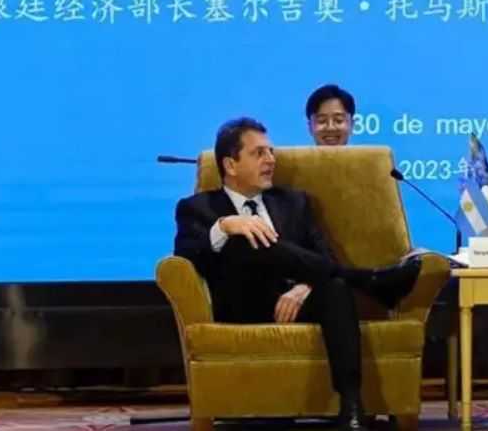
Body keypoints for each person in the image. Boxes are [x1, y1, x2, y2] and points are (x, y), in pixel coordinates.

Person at [173, 117, 421, 430]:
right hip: (241, 305)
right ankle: (369, 280)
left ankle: (352, 408)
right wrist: (225, 226)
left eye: (271, 152)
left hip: (295, 302)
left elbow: (322, 256)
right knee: (244, 240)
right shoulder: (198, 208)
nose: (270, 160)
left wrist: (305, 286)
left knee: (335, 289)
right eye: (259, 153)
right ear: (230, 165)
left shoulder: (293, 202)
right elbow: (185, 256)